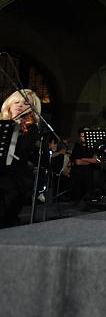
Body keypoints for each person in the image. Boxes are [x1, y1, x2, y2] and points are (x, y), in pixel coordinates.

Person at [0, 90, 42, 228]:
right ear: (9, 104)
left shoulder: (31, 128)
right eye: (16, 101)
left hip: (16, 176)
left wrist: (18, 125)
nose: (20, 105)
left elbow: (22, 148)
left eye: (25, 103)